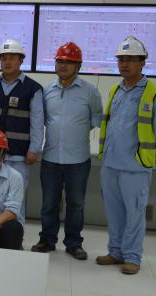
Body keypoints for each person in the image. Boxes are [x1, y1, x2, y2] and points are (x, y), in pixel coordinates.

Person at [97, 36, 156, 275]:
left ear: (142, 63)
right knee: (115, 213)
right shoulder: (116, 90)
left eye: (130, 60)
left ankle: (132, 256)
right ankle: (115, 251)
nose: (124, 64)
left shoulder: (153, 93)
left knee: (135, 214)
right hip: (110, 165)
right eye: (121, 60)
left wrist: (147, 160)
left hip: (135, 168)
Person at [31, 42, 103, 260]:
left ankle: (74, 243)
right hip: (51, 158)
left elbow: (95, 119)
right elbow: (42, 120)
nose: (63, 65)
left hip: (78, 160)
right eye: (59, 61)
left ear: (78, 66)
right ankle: (47, 240)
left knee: (76, 205)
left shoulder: (90, 91)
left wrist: (74, 132)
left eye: (68, 62)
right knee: (48, 204)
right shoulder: (46, 91)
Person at [0, 39, 44, 195]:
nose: (7, 62)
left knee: (16, 198)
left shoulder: (33, 89)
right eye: (3, 58)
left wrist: (34, 149)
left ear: (21, 60)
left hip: (19, 156)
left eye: (12, 58)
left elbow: (37, 122)